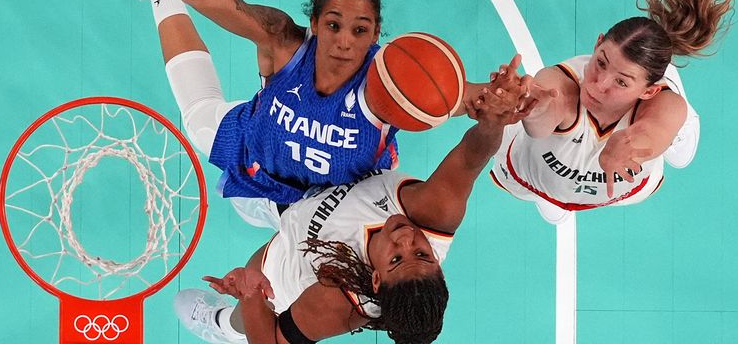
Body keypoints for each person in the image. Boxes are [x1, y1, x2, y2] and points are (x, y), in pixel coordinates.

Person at [121, 0, 498, 228]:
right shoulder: (283, 42)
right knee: (200, 118)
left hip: (332, 203)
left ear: (376, 33)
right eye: (334, 25)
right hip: (255, 166)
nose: (345, 42)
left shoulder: (389, 79)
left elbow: (461, 96)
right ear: (315, 22)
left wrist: (502, 97)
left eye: (360, 30)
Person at [171, 60, 532, 343]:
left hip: (288, 260)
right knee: (238, 162)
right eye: (422, 254)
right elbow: (472, 156)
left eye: (396, 258)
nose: (407, 240)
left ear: (375, 280)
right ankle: (259, 197)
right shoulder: (434, 212)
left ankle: (223, 327)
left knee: (248, 314)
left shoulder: (336, 304)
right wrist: (494, 120)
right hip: (310, 193)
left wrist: (250, 297)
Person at [489, 0, 738, 224]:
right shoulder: (558, 84)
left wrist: (630, 147)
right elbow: (541, 122)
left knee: (680, 155)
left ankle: (669, 84)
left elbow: (651, 133)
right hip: (529, 177)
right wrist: (531, 107)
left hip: (629, 179)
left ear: (649, 91)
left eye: (620, 81)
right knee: (552, 203)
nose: (599, 85)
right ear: (597, 44)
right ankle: (648, 68)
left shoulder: (663, 104)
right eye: (600, 62)